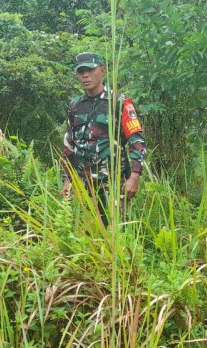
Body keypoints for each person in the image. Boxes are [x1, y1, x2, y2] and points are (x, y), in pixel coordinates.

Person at [61, 52, 147, 224]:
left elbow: (136, 140)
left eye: (90, 70)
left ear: (102, 71)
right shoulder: (75, 106)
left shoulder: (119, 102)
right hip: (85, 183)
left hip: (115, 181)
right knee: (90, 232)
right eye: (81, 72)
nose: (85, 75)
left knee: (120, 232)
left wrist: (135, 176)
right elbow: (69, 145)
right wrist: (67, 178)